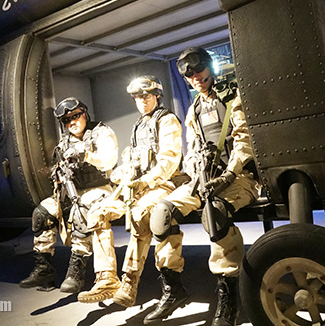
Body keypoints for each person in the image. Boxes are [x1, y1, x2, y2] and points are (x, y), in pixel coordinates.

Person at [143, 47, 262, 325]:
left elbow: (245, 140)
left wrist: (229, 174)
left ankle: (229, 295)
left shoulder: (233, 97)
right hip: (205, 178)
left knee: (215, 213)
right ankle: (173, 289)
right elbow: (194, 149)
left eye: (199, 70)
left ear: (210, 67)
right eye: (189, 75)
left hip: (240, 177)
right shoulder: (194, 108)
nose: (195, 77)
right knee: (161, 213)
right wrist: (191, 177)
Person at [77, 75, 183, 308]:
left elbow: (169, 162)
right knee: (97, 212)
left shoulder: (166, 121)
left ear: (157, 96)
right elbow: (133, 160)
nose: (141, 100)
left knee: (139, 214)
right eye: (137, 97)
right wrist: (120, 173)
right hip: (135, 188)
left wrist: (144, 182)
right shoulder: (140, 125)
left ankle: (130, 283)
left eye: (146, 96)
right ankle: (106, 278)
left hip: (161, 185)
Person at [19, 97, 118, 294]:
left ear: (85, 114)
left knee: (82, 213)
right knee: (41, 214)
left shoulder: (101, 132)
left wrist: (85, 155)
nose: (72, 122)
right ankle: (44, 268)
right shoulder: (64, 143)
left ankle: (76, 273)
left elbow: (109, 160)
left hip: (99, 188)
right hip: (72, 191)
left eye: (76, 116)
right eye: (67, 120)